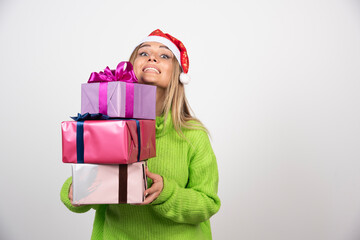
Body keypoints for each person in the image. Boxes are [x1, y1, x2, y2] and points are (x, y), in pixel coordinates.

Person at [60, 29, 221, 240]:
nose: (152, 57)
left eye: (164, 55)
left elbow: (208, 203)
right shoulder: (108, 126)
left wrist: (166, 194)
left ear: (178, 74)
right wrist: (73, 190)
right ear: (131, 67)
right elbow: (90, 186)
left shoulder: (193, 136)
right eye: (143, 53)